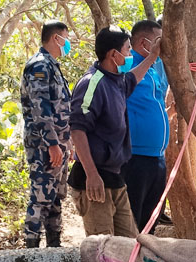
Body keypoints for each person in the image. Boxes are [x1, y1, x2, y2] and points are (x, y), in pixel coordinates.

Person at [67, 27, 161, 237]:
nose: (129, 56)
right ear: (113, 55)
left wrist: (153, 55)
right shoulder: (92, 83)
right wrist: (91, 174)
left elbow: (133, 78)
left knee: (129, 242)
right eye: (127, 51)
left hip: (115, 178)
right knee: (103, 249)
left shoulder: (117, 80)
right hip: (95, 181)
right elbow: (78, 129)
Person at [21, 21, 73, 248]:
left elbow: (62, 109)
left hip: (58, 145)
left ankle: (54, 247)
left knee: (55, 198)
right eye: (66, 38)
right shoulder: (39, 66)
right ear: (55, 38)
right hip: (44, 145)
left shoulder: (53, 66)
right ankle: (30, 251)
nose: (67, 44)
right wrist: (52, 143)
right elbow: (40, 109)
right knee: (40, 197)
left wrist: (66, 144)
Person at [122, 20, 169, 232]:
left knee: (152, 217)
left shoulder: (152, 71)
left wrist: (172, 113)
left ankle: (144, 260)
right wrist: (151, 58)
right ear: (144, 42)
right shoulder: (128, 66)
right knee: (133, 217)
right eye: (159, 40)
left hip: (156, 157)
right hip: (136, 157)